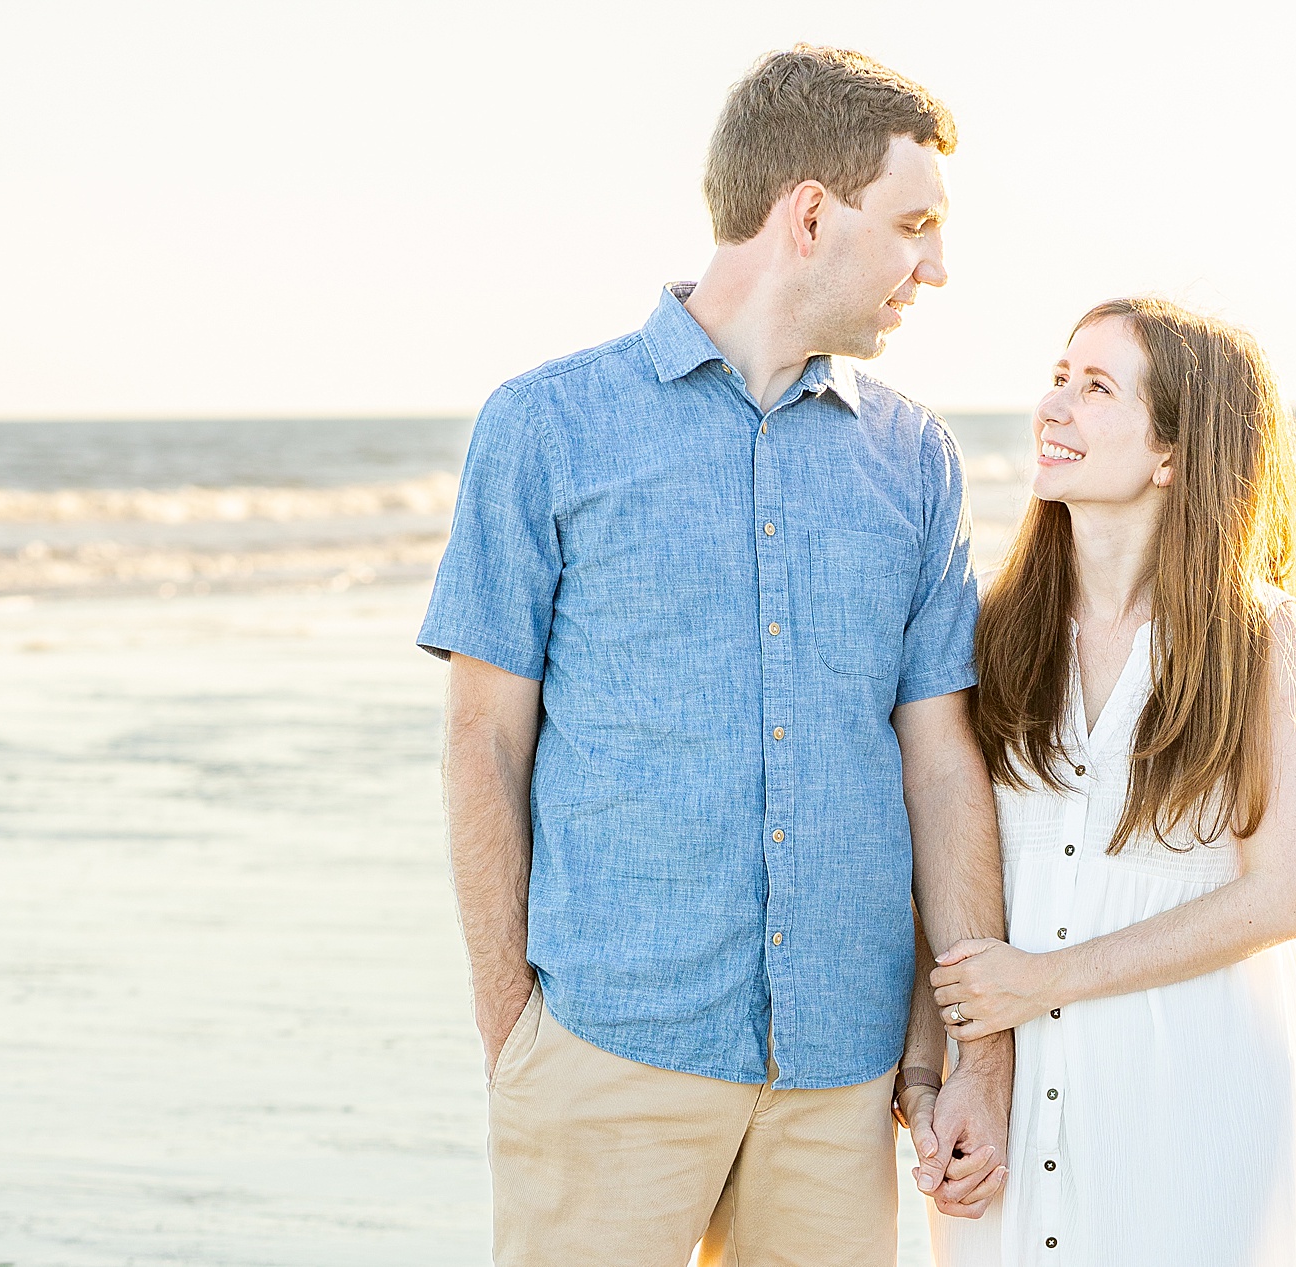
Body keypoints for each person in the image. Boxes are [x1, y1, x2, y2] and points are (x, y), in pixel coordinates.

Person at [419, 46, 1012, 1267]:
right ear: (808, 214)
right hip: (608, 1052)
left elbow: (942, 768)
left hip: (840, 1082)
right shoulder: (547, 426)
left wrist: (971, 1053)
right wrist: (514, 1032)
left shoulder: (915, 460)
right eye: (914, 225)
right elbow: (482, 746)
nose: (935, 268)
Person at [904, 298, 1296, 1265]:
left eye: (1096, 387)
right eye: (1059, 376)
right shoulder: (989, 631)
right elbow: (934, 876)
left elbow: (1284, 894)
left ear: (1174, 454)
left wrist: (1044, 980)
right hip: (1013, 1118)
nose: (1052, 406)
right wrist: (929, 1077)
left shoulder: (1254, 636)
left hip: (1195, 1098)